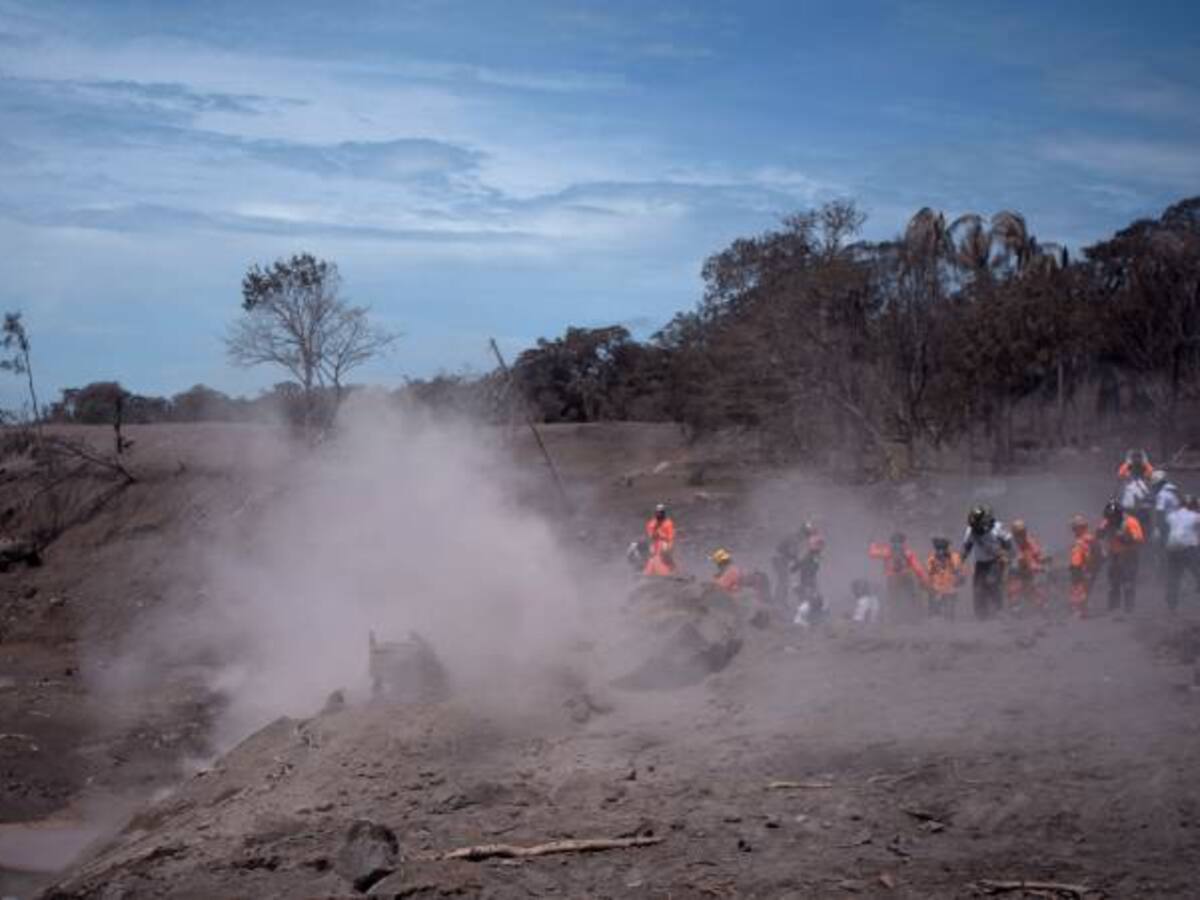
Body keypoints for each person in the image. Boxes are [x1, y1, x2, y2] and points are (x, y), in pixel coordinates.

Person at [961, 505, 1013, 620]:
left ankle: (999, 609)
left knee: (991, 582)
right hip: (980, 563)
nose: (977, 529)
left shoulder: (997, 528)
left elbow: (1008, 542)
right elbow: (967, 546)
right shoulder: (970, 531)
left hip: (995, 561)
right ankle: (981, 615)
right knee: (978, 588)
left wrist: (1007, 556)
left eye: (978, 525)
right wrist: (960, 560)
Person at [1096, 499, 1145, 615]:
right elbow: (1098, 535)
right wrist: (1100, 530)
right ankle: (1113, 607)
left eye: (1112, 517)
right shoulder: (1107, 521)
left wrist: (1124, 538)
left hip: (1129, 555)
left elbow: (1139, 539)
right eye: (1109, 517)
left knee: (1128, 582)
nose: (1111, 520)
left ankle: (1129, 609)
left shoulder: (1131, 522)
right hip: (1114, 554)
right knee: (1113, 582)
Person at [869, 532, 922, 622]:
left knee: (893, 598)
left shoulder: (888, 551)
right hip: (906, 576)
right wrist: (922, 578)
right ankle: (913, 616)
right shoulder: (907, 552)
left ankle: (894, 618)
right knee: (911, 596)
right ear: (904, 541)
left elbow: (873, 553)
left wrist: (872, 543)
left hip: (892, 577)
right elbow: (917, 567)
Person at [1164, 495, 1200, 613]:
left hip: (1172, 548)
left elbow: (1167, 520)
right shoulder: (1195, 516)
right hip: (1188, 548)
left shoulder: (1172, 516)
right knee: (1197, 570)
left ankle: (1171, 605)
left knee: (1173, 576)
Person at [1006, 520, 1048, 614]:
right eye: (1018, 533)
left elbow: (1038, 554)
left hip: (1030, 568)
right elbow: (1005, 556)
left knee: (1038, 581)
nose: (1021, 535)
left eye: (1022, 532)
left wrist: (1041, 561)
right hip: (1015, 570)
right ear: (1014, 533)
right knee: (1014, 584)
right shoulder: (1010, 544)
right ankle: (1015, 605)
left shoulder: (1030, 541)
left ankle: (1041, 604)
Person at [923, 537, 964, 620]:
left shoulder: (954, 558)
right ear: (935, 549)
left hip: (950, 589)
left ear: (947, 549)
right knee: (934, 612)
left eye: (943, 549)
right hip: (936, 589)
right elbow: (927, 574)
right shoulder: (931, 560)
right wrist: (926, 584)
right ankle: (934, 615)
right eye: (938, 549)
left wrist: (959, 577)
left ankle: (948, 621)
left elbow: (960, 571)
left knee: (949, 614)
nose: (941, 552)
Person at [1067, 515, 1097, 620]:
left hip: (1081, 568)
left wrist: (1086, 569)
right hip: (1080, 568)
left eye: (1075, 528)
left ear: (1081, 527)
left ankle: (1080, 611)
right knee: (1079, 590)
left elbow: (1087, 556)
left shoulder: (1085, 540)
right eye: (1073, 528)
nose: (1073, 530)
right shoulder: (1085, 539)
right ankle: (1082, 610)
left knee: (1079, 590)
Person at [643, 503, 677, 576]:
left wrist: (667, 543)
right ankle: (649, 571)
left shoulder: (668, 523)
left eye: (660, 512)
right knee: (651, 554)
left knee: (665, 552)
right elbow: (650, 533)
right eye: (657, 512)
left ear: (663, 513)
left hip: (665, 542)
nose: (659, 514)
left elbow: (670, 536)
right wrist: (654, 535)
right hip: (655, 542)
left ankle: (672, 569)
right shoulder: (652, 523)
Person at [1152, 470, 1183, 545]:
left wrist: (1157, 528)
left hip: (1168, 525)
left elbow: (1160, 512)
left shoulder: (1162, 494)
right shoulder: (1174, 491)